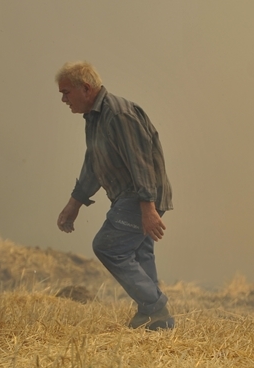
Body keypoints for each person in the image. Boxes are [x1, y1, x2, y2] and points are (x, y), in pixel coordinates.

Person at [54, 61, 175, 331]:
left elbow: (140, 162)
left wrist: (147, 207)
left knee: (107, 246)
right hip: (135, 196)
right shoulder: (95, 117)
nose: (63, 100)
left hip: (140, 195)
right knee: (140, 253)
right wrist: (74, 204)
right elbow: (93, 164)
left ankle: (156, 308)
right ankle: (157, 324)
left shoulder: (119, 115)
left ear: (86, 89)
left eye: (66, 93)